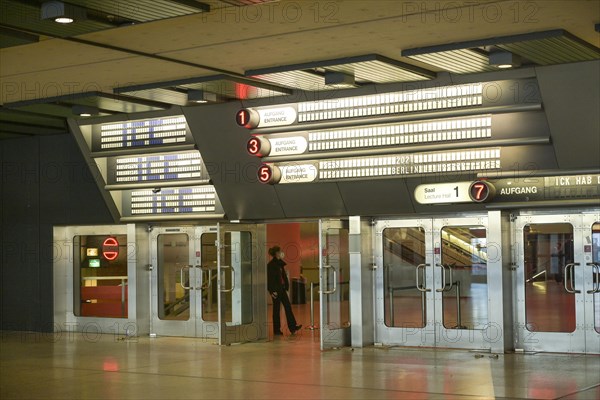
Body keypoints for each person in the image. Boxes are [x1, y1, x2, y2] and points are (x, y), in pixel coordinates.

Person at [267, 246, 302, 336]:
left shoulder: (280, 264)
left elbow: (282, 277)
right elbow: (270, 279)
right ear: (276, 253)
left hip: (281, 289)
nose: (282, 253)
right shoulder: (271, 265)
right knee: (276, 310)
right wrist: (271, 291)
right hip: (276, 290)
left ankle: (293, 327)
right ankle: (277, 330)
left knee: (287, 307)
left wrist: (286, 286)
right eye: (280, 251)